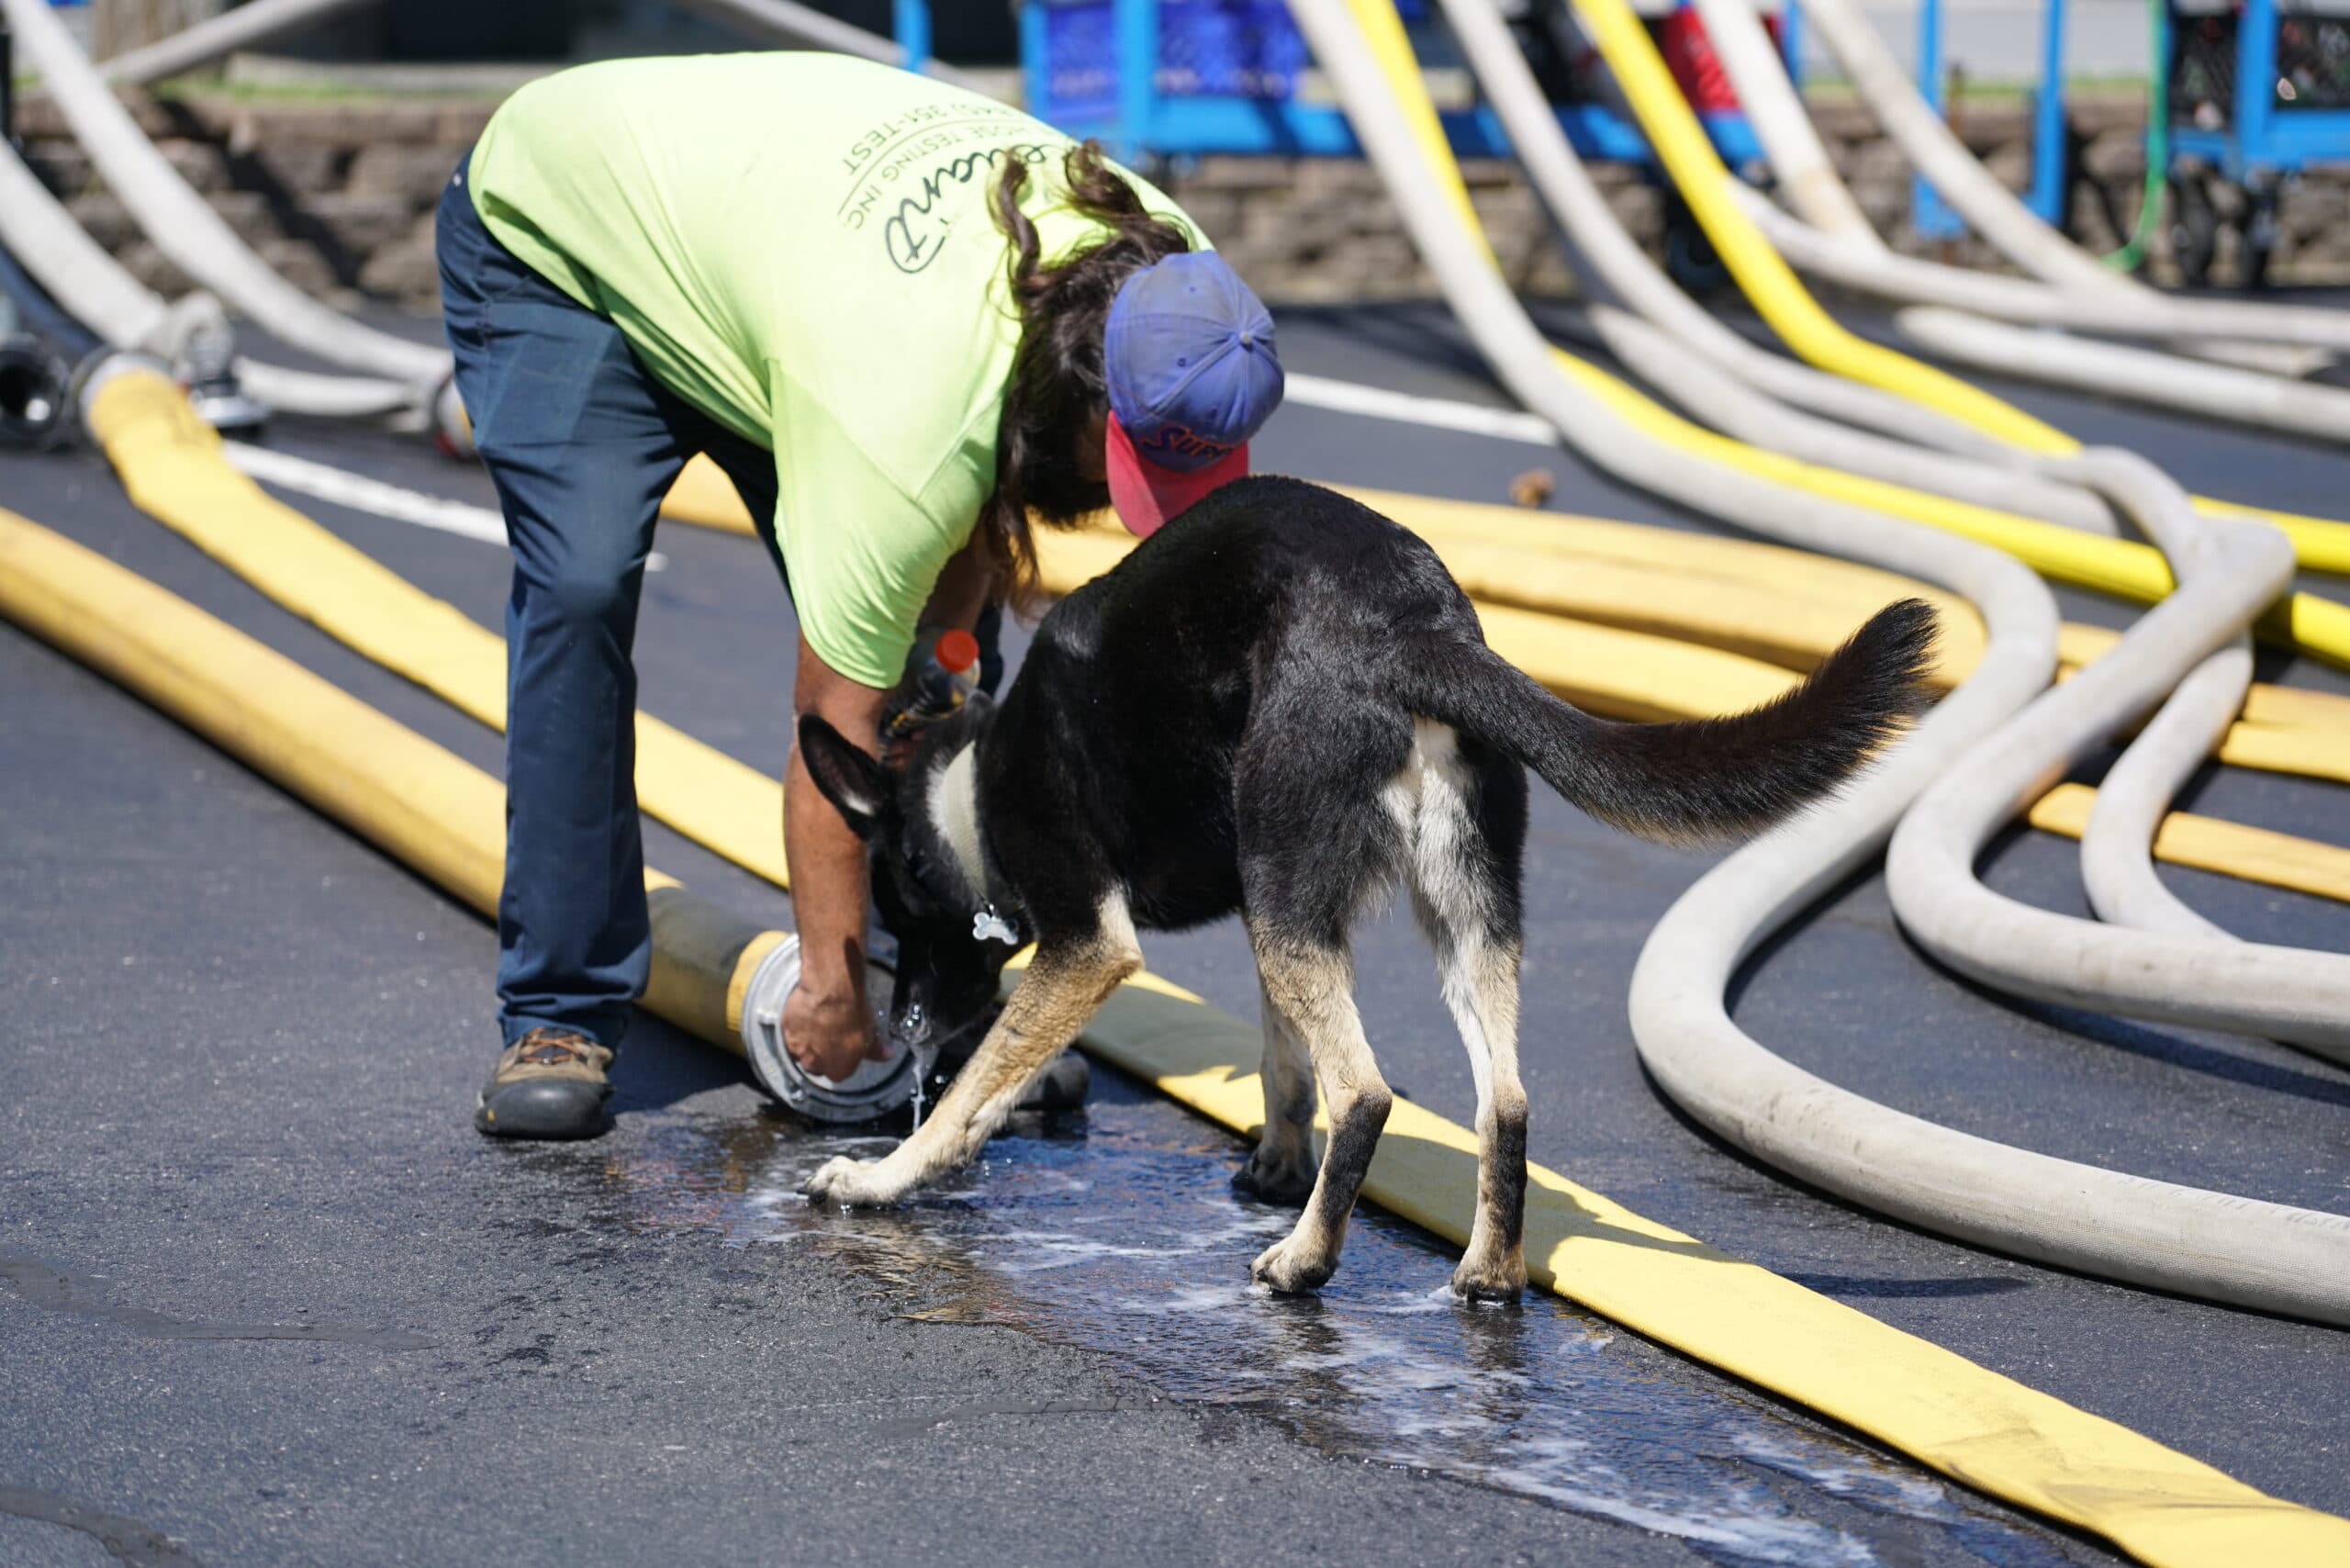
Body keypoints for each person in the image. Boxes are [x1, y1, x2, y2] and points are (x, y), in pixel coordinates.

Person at [437, 51, 1286, 1138]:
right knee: (583, 586)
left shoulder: (1187, 295)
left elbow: (973, 560)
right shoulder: (904, 419)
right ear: (1074, 388)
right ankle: (560, 1002)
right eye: (1125, 461)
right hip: (564, 237)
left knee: (949, 666)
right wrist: (825, 1000)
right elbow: (836, 736)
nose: (1137, 505)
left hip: (771, 262)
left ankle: (940, 991)